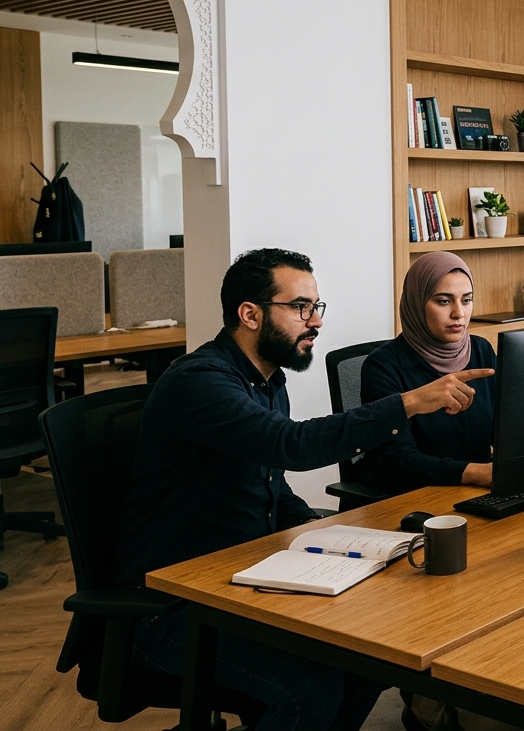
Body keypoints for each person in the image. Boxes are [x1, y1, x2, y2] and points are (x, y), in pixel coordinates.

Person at [117, 248, 492, 731]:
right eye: (299, 308)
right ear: (249, 314)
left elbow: (269, 485)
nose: (314, 321)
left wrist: (327, 532)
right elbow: (288, 446)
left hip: (243, 576)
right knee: (309, 692)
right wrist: (408, 404)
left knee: (374, 656)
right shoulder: (201, 382)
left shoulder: (266, 378)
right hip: (171, 605)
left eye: (317, 307)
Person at [358, 252, 496, 490]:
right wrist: (476, 473)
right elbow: (397, 459)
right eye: (444, 301)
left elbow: (506, 428)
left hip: (479, 489)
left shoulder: (481, 350)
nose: (459, 314)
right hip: (413, 496)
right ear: (416, 302)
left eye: (466, 300)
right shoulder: (383, 366)